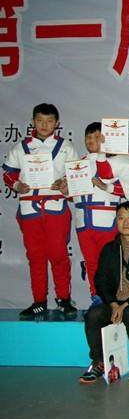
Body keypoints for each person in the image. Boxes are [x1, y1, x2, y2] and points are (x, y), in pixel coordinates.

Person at [3, 103, 79, 319]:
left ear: (57, 123)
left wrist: (64, 183)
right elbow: (8, 174)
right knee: (35, 256)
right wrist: (17, 185)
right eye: (40, 120)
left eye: (49, 121)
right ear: (33, 122)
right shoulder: (20, 148)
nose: (44, 125)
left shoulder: (66, 147)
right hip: (30, 207)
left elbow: (75, 175)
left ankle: (64, 299)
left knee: (59, 255)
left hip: (55, 206)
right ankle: (39, 301)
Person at [80, 202, 129, 386]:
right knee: (93, 315)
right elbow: (101, 280)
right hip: (115, 304)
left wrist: (127, 304)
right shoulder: (109, 249)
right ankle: (98, 361)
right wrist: (113, 303)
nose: (125, 222)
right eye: (121, 218)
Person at [70, 122, 123, 306]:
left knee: (109, 262)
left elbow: (127, 189)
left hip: (106, 218)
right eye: (89, 137)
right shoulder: (78, 164)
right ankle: (96, 296)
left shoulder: (116, 163)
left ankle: (112, 298)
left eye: (97, 137)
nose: (92, 141)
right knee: (91, 262)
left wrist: (106, 186)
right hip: (83, 220)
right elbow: (72, 193)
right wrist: (64, 189)